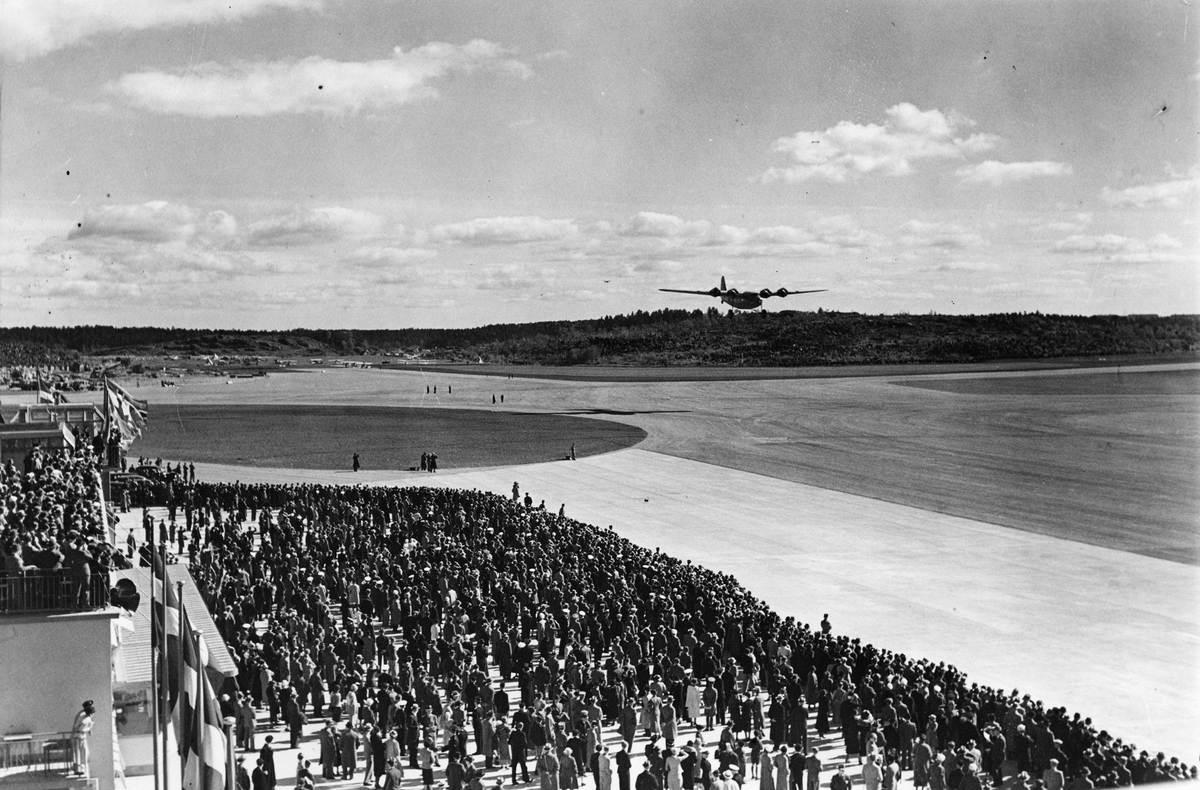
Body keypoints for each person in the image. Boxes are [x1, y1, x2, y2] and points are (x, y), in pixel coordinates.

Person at [71, 700, 95, 777]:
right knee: (81, 753)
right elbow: (81, 727)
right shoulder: (83, 714)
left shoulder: (83, 713)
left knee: (81, 752)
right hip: (79, 736)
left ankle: (79, 768)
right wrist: (89, 728)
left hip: (79, 736)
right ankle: (79, 769)